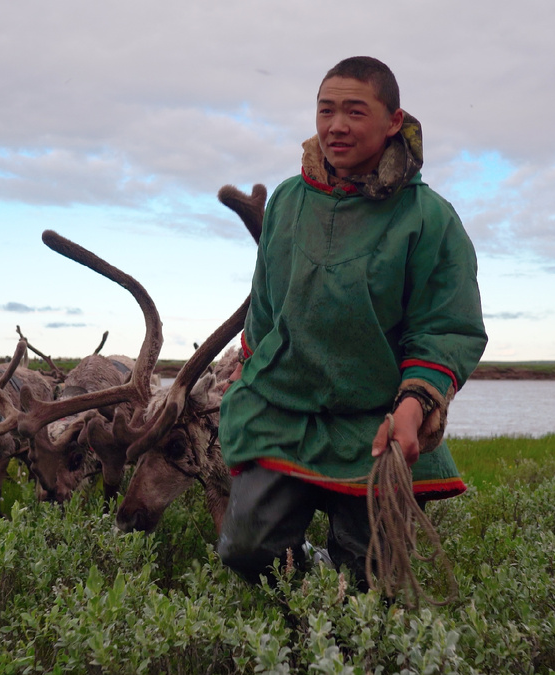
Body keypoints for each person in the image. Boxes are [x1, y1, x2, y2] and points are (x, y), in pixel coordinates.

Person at [216, 56, 487, 591]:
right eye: (326, 110)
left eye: (354, 111)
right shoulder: (290, 200)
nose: (336, 125)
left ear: (393, 121)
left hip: (377, 422)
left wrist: (414, 408)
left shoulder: (429, 218)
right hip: (283, 410)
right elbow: (266, 304)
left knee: (372, 579)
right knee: (247, 551)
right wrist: (247, 371)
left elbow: (446, 327)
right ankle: (309, 599)